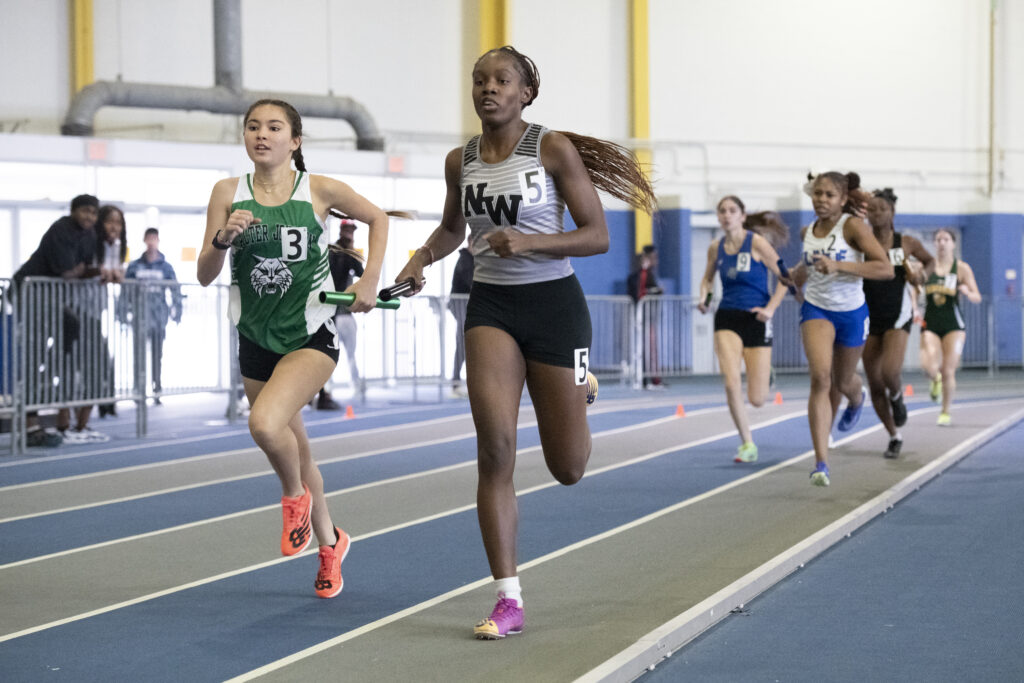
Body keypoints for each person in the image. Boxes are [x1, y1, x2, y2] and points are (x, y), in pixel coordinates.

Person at [393, 46, 656, 639]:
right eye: (479, 80)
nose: (488, 88)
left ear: (525, 92)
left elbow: (597, 236)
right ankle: (507, 598)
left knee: (569, 467)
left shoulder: (552, 148)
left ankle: (581, 384)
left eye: (501, 80)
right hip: (492, 308)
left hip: (556, 309)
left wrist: (530, 243)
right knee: (495, 449)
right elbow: (454, 229)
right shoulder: (459, 160)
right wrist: (420, 258)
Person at [197, 98, 392, 598]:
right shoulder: (227, 192)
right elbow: (203, 275)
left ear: (295, 140)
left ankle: (292, 499)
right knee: (300, 451)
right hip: (255, 338)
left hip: (310, 335)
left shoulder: (318, 190)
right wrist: (222, 239)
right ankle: (331, 546)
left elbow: (378, 218)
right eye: (253, 126)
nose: (262, 134)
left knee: (264, 425)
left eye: (274, 127)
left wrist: (370, 278)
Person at [790, 172, 893, 486]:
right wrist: (792, 280)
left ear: (843, 199)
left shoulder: (853, 227)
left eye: (829, 195)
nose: (821, 200)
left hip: (851, 313)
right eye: (817, 193)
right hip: (817, 309)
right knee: (821, 379)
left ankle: (856, 396)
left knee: (842, 380)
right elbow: (806, 266)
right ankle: (821, 463)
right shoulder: (807, 231)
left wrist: (840, 266)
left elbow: (885, 268)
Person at [697, 197, 791, 463]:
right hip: (727, 317)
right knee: (730, 383)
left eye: (732, 211)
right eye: (722, 211)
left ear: (742, 215)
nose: (726, 216)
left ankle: (765, 373)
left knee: (758, 399)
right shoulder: (716, 248)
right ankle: (747, 443)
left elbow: (786, 277)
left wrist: (770, 309)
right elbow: (707, 278)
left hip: (757, 320)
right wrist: (704, 298)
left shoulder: (758, 244)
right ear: (718, 217)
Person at [14, 194, 106, 446]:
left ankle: (51, 370)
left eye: (93, 213)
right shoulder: (60, 229)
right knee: (33, 357)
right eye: (85, 211)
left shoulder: (89, 235)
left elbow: (83, 268)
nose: (90, 217)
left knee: (71, 329)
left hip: (52, 301)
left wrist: (86, 270)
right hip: (29, 295)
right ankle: (31, 424)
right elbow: (68, 272)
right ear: (74, 211)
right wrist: (89, 271)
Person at [861, 189, 933, 458]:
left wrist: (921, 277)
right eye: (872, 209)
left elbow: (929, 261)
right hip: (868, 317)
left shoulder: (906, 243)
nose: (876, 213)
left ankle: (897, 397)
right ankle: (894, 435)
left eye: (882, 209)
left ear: (892, 213)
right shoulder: (860, 243)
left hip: (897, 315)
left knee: (890, 372)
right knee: (874, 383)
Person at [919, 228, 981, 426]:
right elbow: (914, 285)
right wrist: (913, 306)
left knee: (948, 370)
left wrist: (967, 291)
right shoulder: (927, 266)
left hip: (954, 325)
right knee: (929, 366)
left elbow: (976, 296)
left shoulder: (961, 268)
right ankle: (934, 380)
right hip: (930, 322)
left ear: (953, 244)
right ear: (934, 244)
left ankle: (945, 411)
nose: (942, 243)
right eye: (938, 239)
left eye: (946, 239)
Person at [125, 228, 183, 406]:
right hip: (139, 316)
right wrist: (122, 312)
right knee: (138, 355)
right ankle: (139, 390)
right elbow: (125, 291)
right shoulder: (134, 266)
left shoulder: (166, 267)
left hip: (158, 318)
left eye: (154, 238)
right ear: (144, 240)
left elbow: (175, 289)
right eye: (148, 238)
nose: (151, 242)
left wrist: (177, 310)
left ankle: (157, 389)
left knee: (157, 355)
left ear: (158, 240)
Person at [314, 216, 363, 410]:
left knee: (347, 353)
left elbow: (361, 272)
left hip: (341, 312)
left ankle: (350, 386)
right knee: (327, 354)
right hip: (329, 310)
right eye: (348, 230)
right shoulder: (332, 251)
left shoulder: (349, 253)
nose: (349, 233)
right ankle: (323, 392)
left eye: (352, 230)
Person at [96, 204, 128, 418]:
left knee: (103, 359)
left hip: (96, 310)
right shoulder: (91, 243)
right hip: (78, 308)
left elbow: (115, 275)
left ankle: (107, 403)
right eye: (110, 221)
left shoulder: (117, 246)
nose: (114, 227)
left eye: (118, 223)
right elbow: (101, 272)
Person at [627, 244, 666, 388]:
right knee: (643, 349)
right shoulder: (641, 274)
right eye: (654, 257)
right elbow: (639, 291)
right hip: (642, 317)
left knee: (650, 349)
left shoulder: (650, 274)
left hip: (650, 317)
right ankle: (646, 379)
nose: (656, 260)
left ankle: (652, 379)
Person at [448, 242, 474, 396]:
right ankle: (456, 380)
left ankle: (459, 380)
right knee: (463, 342)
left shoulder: (471, 259)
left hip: (465, 305)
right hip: (460, 305)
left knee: (466, 343)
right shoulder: (465, 260)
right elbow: (471, 282)